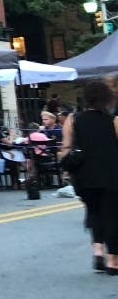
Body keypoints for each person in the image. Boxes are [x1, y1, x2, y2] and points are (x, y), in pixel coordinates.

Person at [59, 80, 118, 274]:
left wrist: (67, 170)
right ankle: (113, 261)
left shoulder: (73, 119)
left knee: (93, 211)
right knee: (111, 214)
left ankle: (98, 250)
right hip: (110, 173)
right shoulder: (113, 120)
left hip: (83, 174)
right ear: (106, 99)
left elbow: (65, 148)